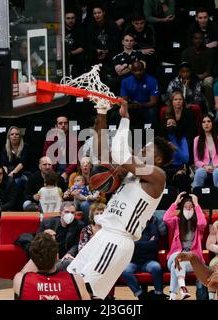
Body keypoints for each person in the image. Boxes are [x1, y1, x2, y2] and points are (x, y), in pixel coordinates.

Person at [67, 99, 174, 299]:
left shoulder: (158, 176)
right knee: (71, 282)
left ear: (158, 160)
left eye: (146, 150)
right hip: (102, 235)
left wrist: (125, 120)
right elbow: (102, 153)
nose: (141, 150)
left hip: (118, 240)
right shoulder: (130, 173)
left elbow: (121, 154)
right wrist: (101, 113)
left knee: (87, 293)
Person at [13, 232, 90, 300]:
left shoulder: (20, 280)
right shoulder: (77, 280)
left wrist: (36, 255)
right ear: (57, 257)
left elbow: (23, 272)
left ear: (33, 258)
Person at [164, 192, 207, 300]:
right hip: (175, 256)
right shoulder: (176, 221)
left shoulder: (197, 224)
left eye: (190, 207)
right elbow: (165, 218)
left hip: (192, 260)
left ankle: (174, 295)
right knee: (178, 257)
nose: (188, 209)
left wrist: (196, 204)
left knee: (179, 262)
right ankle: (182, 288)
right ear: (182, 208)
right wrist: (176, 203)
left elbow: (203, 223)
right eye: (185, 207)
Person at [121, 217, 166, 300]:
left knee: (157, 268)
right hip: (133, 261)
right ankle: (141, 295)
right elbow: (128, 245)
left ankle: (159, 294)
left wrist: (136, 244)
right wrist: (147, 243)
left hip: (149, 261)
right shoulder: (130, 229)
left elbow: (154, 245)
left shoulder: (152, 227)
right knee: (125, 271)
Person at [192, 114, 218, 203]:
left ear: (213, 123)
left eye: (208, 121)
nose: (206, 124)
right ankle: (195, 203)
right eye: (204, 122)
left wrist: (217, 166)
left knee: (217, 172)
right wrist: (205, 166)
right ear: (201, 125)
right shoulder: (197, 139)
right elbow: (196, 160)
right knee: (199, 172)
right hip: (205, 168)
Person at [37, 202, 84, 271]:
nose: (70, 215)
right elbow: (37, 240)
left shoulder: (79, 225)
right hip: (50, 256)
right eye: (67, 212)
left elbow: (77, 244)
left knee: (68, 263)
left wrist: (69, 253)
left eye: (72, 212)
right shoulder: (47, 223)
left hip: (66, 258)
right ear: (60, 213)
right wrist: (44, 236)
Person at [119, 60, 159, 129]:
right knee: (120, 112)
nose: (138, 73)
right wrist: (130, 105)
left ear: (144, 70)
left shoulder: (153, 81)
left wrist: (140, 105)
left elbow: (154, 102)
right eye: (135, 70)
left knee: (152, 112)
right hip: (132, 107)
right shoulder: (125, 81)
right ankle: (124, 135)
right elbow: (124, 100)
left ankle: (150, 137)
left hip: (147, 107)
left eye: (140, 70)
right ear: (131, 71)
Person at [181, 32, 215, 109]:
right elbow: (184, 69)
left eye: (200, 38)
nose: (198, 41)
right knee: (184, 81)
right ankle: (187, 107)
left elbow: (208, 71)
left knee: (208, 82)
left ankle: (209, 108)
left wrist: (198, 78)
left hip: (205, 77)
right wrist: (193, 78)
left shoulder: (209, 52)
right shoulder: (186, 52)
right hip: (190, 76)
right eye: (196, 38)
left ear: (204, 40)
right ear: (192, 40)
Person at [42, 116, 80, 182]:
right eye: (60, 123)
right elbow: (46, 157)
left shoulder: (74, 139)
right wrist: (52, 172)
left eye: (65, 123)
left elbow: (75, 160)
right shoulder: (50, 139)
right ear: (56, 126)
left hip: (69, 169)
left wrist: (66, 173)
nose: (63, 125)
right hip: (53, 168)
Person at [1, 126, 30, 190]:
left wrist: (12, 174)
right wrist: (6, 175)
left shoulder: (25, 147)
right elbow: (4, 164)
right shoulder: (5, 147)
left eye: (17, 134)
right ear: (9, 137)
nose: (14, 136)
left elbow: (22, 163)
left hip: (22, 172)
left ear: (20, 136)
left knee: (15, 183)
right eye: (12, 134)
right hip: (9, 171)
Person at [64, 10, 86, 77]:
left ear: (75, 18)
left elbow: (82, 47)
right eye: (68, 18)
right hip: (64, 59)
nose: (71, 20)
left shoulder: (80, 30)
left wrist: (71, 53)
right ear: (64, 19)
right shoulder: (61, 30)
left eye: (72, 18)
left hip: (76, 59)